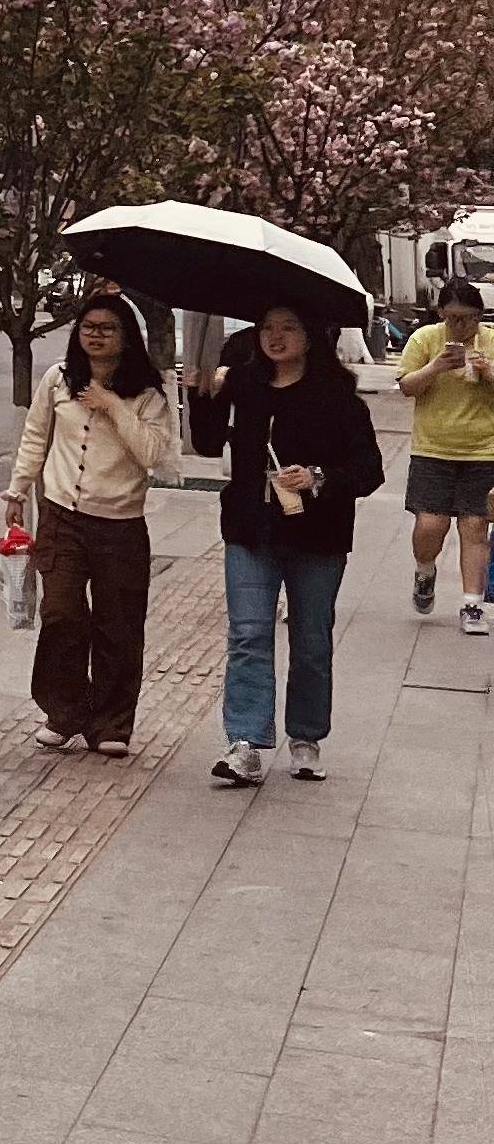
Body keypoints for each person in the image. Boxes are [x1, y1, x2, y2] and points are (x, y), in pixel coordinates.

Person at [191, 297, 384, 786]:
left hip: (318, 535)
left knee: (311, 640)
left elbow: (369, 470)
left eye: (288, 328)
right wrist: (199, 392)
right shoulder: (242, 384)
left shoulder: (338, 396)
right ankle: (246, 743)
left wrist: (317, 477)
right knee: (249, 635)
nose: (275, 337)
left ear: (311, 336)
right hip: (250, 529)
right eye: (267, 328)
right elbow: (208, 443)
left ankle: (306, 737)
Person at [5, 290, 173, 757]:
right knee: (61, 615)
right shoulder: (59, 379)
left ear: (126, 338)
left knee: (118, 625)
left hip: (120, 524)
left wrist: (111, 404)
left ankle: (112, 724)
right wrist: (18, 491)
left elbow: (154, 455)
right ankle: (64, 711)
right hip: (62, 515)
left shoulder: (148, 391)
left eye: (108, 328)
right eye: (89, 327)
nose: (96, 335)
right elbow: (36, 436)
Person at [392, 275, 494, 637]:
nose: (460, 326)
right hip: (432, 447)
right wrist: (436, 366)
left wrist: (488, 372)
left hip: (484, 449)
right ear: (441, 314)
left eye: (467, 318)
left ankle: (472, 603)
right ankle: (424, 570)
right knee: (430, 525)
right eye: (452, 317)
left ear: (479, 315)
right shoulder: (425, 339)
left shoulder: (491, 341)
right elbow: (405, 387)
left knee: (475, 526)